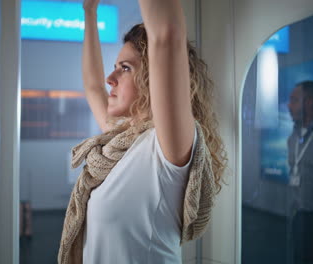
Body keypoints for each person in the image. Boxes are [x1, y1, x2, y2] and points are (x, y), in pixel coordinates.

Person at [58, 0, 227, 263]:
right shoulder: (124, 142)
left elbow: (166, 35)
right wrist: (89, 11)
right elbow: (92, 85)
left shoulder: (166, 146)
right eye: (115, 67)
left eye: (125, 68)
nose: (110, 78)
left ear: (152, 77)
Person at [287, 80, 313, 264]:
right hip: (297, 214)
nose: (288, 105)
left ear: (308, 103)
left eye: (294, 100)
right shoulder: (293, 137)